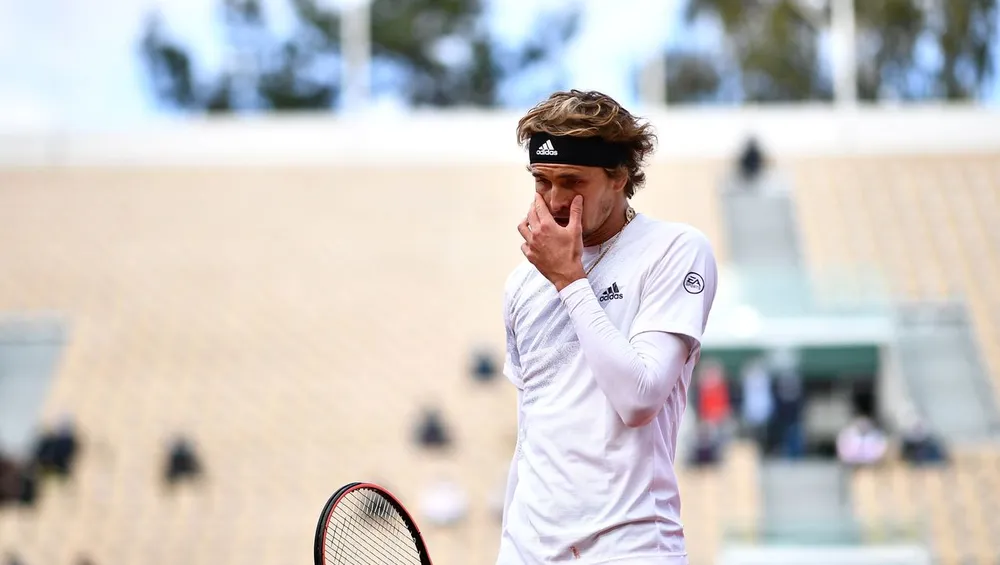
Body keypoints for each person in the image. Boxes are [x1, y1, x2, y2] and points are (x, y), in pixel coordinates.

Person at [497, 90, 719, 565]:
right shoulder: (521, 283)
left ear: (619, 176)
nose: (554, 200)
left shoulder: (675, 250)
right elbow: (531, 432)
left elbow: (639, 398)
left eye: (572, 181)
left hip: (630, 548)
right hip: (528, 551)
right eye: (541, 181)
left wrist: (569, 281)